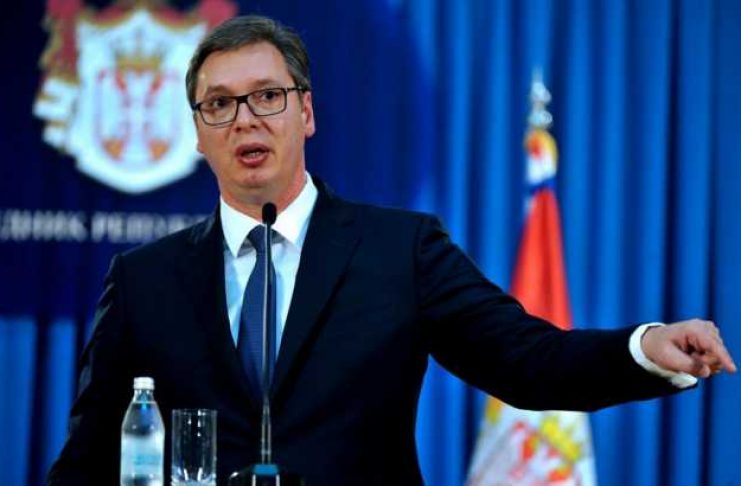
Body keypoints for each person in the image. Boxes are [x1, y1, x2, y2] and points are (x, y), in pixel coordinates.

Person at [47, 14, 736, 486]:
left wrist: (644, 349)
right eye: (219, 105)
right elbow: (87, 459)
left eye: (267, 96)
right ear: (197, 134)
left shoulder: (400, 250)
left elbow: (530, 361)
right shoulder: (143, 280)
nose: (245, 119)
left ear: (306, 113)